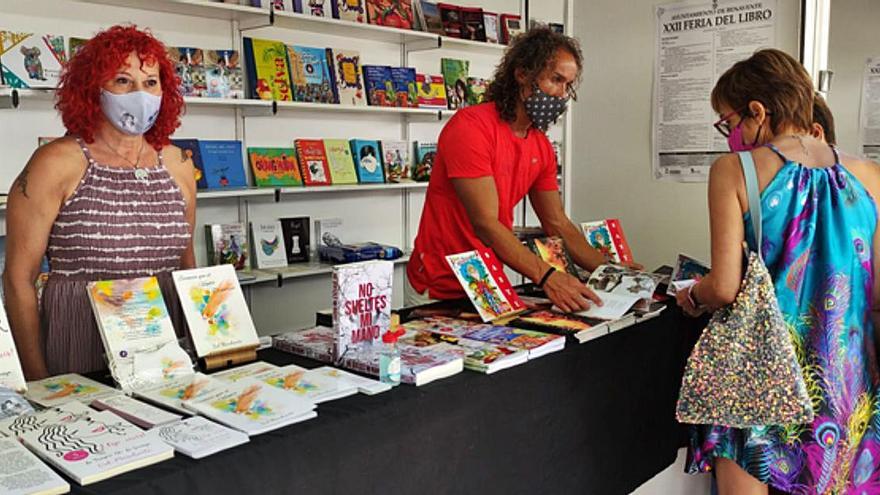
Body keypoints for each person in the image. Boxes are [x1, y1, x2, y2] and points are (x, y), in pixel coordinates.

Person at [677, 49, 880, 494]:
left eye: (729, 123)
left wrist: (693, 295)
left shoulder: (735, 170)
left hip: (759, 378)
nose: (730, 135)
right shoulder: (871, 175)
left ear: (757, 111)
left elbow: (726, 287)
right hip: (845, 382)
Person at [3, 25, 197, 380]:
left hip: (166, 354)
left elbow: (187, 266)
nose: (140, 94)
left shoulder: (178, 163)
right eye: (123, 81)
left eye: (151, 82)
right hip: (80, 345)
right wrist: (37, 378)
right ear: (92, 89)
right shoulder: (54, 163)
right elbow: (18, 278)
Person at [408, 28, 633, 312]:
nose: (561, 95)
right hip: (440, 284)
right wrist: (548, 277)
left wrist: (613, 272)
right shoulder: (471, 127)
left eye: (568, 85)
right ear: (523, 74)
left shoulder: (540, 146)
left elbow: (558, 224)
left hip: (490, 283)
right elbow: (486, 223)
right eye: (555, 80)